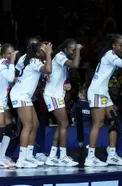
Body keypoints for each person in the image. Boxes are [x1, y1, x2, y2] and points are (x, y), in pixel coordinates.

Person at [85, 34, 122, 167]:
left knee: (114, 121)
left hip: (103, 92)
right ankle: (90, 157)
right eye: (120, 45)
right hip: (97, 92)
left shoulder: (111, 55)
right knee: (98, 124)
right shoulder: (110, 55)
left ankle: (112, 155)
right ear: (113, 46)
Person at [10, 42, 53, 168]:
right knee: (28, 126)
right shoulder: (34, 61)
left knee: (35, 124)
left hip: (25, 95)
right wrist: (49, 54)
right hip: (20, 95)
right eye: (43, 50)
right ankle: (21, 159)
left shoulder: (31, 60)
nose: (45, 51)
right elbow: (49, 70)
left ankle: (28, 156)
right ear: (38, 52)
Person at [44, 39, 82, 167]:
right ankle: (63, 157)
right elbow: (75, 65)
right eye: (72, 50)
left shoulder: (60, 56)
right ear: (65, 49)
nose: (73, 52)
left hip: (56, 95)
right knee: (65, 123)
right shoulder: (60, 56)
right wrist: (79, 50)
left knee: (62, 124)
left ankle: (52, 156)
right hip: (53, 95)